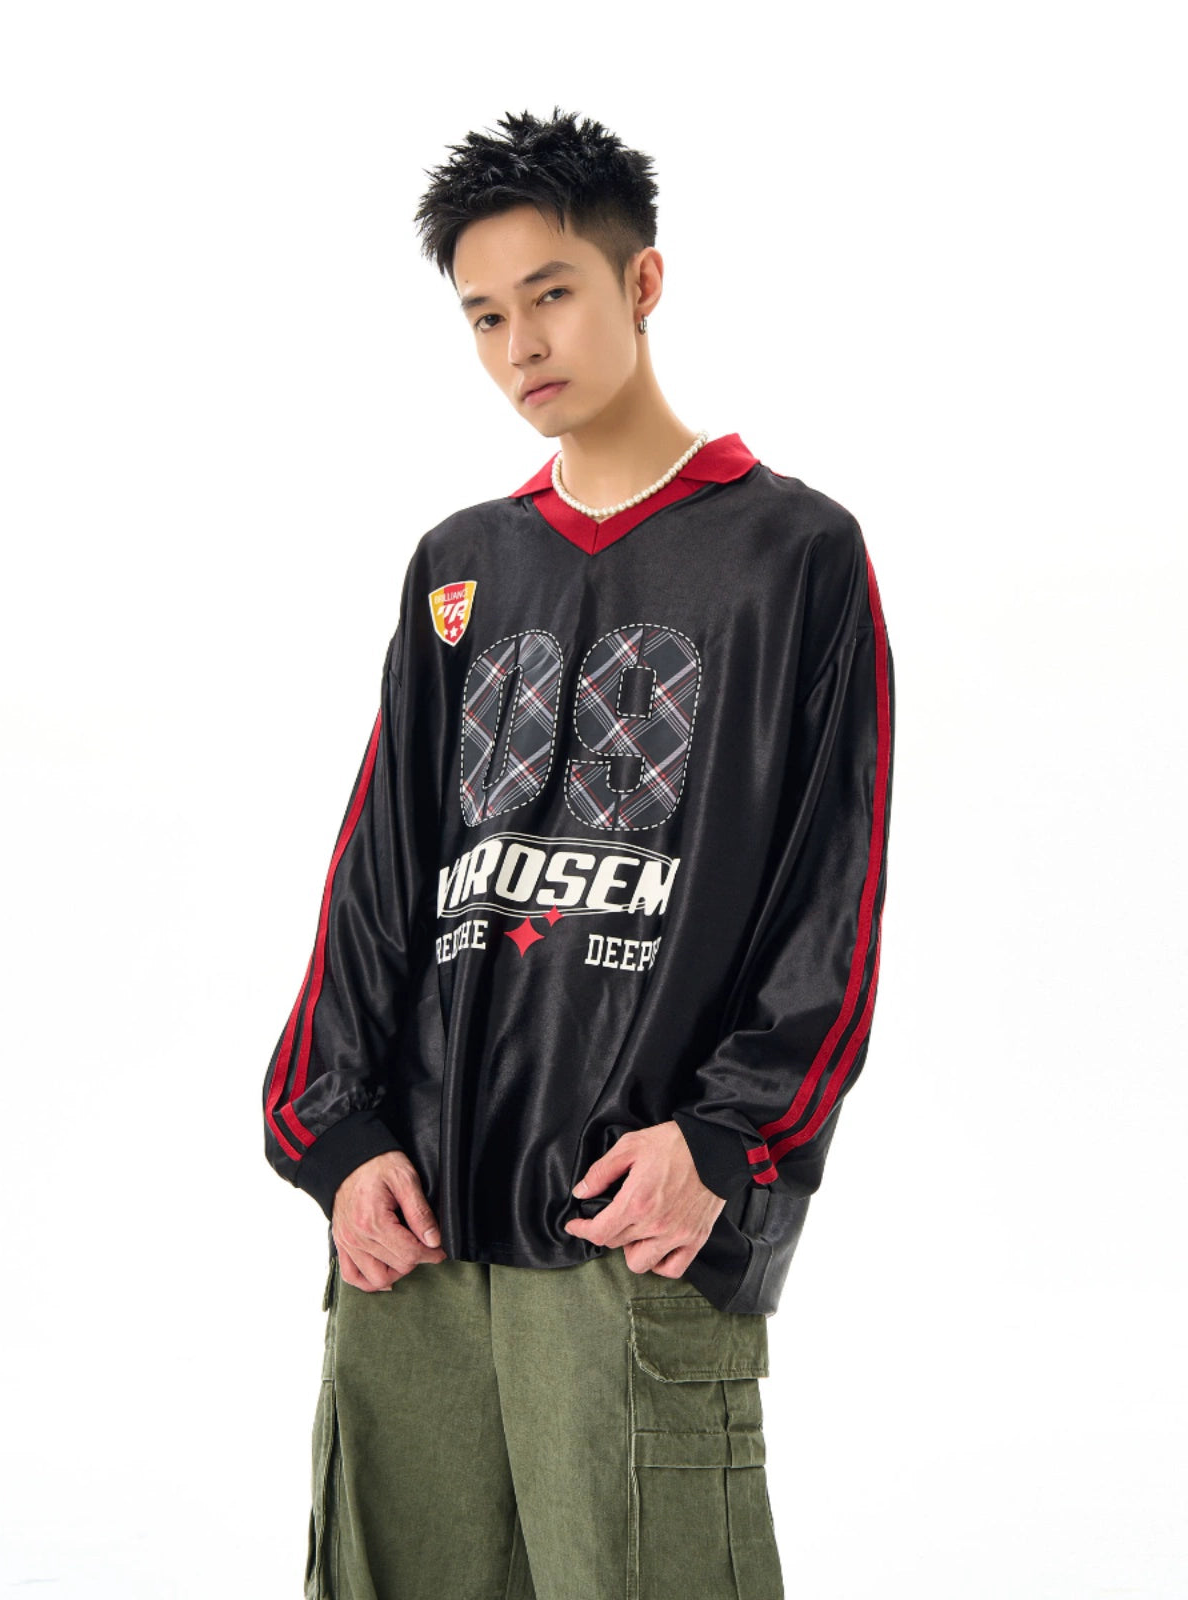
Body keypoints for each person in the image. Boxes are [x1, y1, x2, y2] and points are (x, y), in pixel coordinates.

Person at [262, 106, 895, 1600]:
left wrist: (727, 1142)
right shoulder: (460, 564)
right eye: (485, 317)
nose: (520, 347)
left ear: (642, 281)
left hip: (632, 1224)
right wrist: (335, 1142)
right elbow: (379, 875)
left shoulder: (792, 555)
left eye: (550, 294)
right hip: (413, 1236)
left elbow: (836, 894)